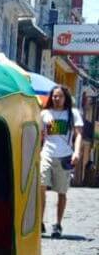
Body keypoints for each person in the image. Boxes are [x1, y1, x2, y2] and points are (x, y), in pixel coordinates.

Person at [40, 85, 83, 238]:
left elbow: (78, 135)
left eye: (59, 96)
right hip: (46, 154)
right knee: (41, 186)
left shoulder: (73, 114)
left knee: (61, 192)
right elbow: (38, 132)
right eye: (54, 96)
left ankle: (58, 224)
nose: (56, 99)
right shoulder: (45, 113)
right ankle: (40, 221)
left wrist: (77, 152)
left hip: (65, 156)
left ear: (66, 98)